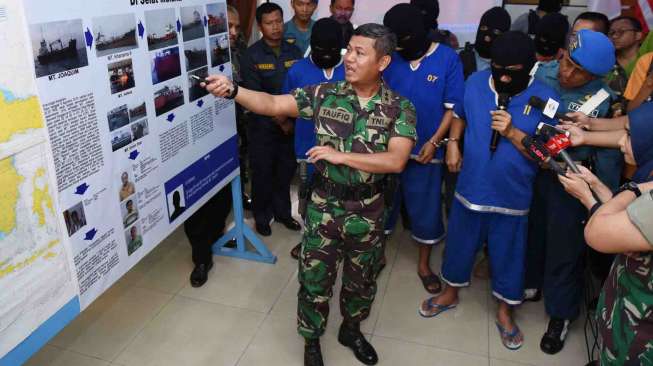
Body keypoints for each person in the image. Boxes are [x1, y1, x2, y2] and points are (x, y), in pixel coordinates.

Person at [204, 23, 416, 366]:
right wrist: (233, 91)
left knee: (361, 282)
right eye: (349, 50)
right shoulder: (324, 93)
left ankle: (351, 329)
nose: (349, 58)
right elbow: (272, 103)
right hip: (324, 208)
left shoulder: (399, 108)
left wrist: (340, 155)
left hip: (370, 210)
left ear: (383, 62)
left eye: (360, 53)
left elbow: (396, 160)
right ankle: (311, 341)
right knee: (315, 280)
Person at [419, 31, 559, 351]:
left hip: (513, 195)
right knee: (459, 244)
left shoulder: (546, 99)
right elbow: (459, 116)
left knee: (509, 255)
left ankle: (505, 311)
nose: (504, 75)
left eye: (513, 69)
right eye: (498, 66)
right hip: (471, 187)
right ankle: (451, 292)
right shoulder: (475, 82)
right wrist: (453, 144)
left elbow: (547, 157)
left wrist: (511, 132)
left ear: (531, 66)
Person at [525, 29, 616, 355]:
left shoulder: (602, 101)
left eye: (580, 72)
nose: (568, 72)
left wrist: (601, 201)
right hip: (532, 170)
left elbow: (609, 155)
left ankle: (561, 315)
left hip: (572, 180)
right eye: (568, 61)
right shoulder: (542, 71)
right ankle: (530, 285)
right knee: (532, 232)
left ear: (594, 76)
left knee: (565, 247)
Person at [556, 101, 653, 365]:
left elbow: (600, 232)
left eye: (631, 136)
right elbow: (629, 222)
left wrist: (589, 198)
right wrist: (597, 186)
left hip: (639, 344)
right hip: (623, 324)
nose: (621, 141)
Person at [383, 4, 464, 294]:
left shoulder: (447, 58)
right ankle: (376, 254)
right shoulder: (388, 57)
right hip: (386, 150)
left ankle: (423, 264)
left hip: (427, 152)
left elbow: (453, 108)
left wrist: (434, 142)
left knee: (426, 209)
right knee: (382, 205)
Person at [283, 17, 346, 260]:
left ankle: (340, 242)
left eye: (332, 49)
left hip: (345, 151)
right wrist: (286, 123)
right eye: (320, 49)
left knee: (341, 198)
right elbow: (284, 103)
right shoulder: (298, 70)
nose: (326, 54)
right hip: (308, 148)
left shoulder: (350, 68)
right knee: (309, 198)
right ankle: (310, 240)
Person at [241, 2, 303, 236]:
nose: (276, 27)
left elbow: (299, 88)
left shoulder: (293, 51)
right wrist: (282, 120)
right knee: (263, 173)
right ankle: (262, 216)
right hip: (263, 128)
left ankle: (284, 214)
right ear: (260, 26)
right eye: (269, 23)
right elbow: (256, 94)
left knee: (285, 172)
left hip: (291, 127)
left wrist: (290, 122)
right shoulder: (252, 55)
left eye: (278, 21)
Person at [227, 4, 252, 211]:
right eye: (228, 27)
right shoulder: (209, 55)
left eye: (236, 27)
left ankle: (240, 195)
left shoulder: (241, 50)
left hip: (240, 118)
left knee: (240, 160)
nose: (233, 32)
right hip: (220, 123)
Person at [459, 7, 511, 80]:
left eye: (496, 32)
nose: (487, 37)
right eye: (484, 28)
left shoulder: (509, 67)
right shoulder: (460, 60)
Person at [605, 16, 643, 116]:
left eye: (621, 31)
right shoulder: (605, 63)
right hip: (605, 121)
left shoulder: (648, 63)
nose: (615, 36)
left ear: (638, 35)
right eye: (612, 32)